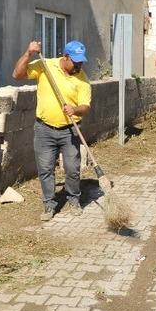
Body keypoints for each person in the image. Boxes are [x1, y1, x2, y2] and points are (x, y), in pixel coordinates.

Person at [13, 40, 91, 221]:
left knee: (72, 168)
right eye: (76, 62)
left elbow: (85, 107)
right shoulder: (45, 65)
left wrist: (75, 109)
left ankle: (73, 199)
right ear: (66, 57)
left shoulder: (83, 79)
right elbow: (17, 74)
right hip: (44, 129)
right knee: (46, 169)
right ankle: (49, 204)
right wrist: (29, 53)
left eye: (81, 62)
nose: (79, 65)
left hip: (70, 130)